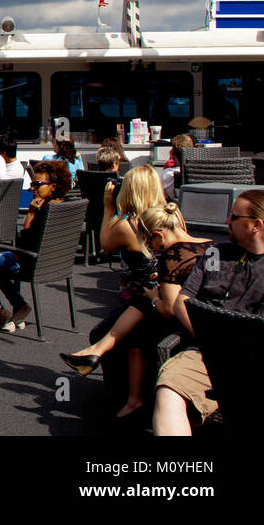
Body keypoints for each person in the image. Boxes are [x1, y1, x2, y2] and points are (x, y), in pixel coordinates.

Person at [61, 202, 212, 419]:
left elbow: (169, 309)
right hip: (209, 316)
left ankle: (112, 374)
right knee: (141, 312)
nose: (153, 249)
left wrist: (153, 297)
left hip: (187, 322)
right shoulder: (210, 244)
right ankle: (104, 362)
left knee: (140, 311)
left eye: (151, 243)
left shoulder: (172, 256)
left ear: (159, 235)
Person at [153, 191, 264, 435]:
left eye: (234, 216)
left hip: (253, 363)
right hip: (205, 353)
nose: (227, 221)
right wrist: (212, 339)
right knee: (169, 391)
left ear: (256, 225)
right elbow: (183, 301)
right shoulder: (216, 254)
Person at [0, 160, 70, 330]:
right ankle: (17, 305)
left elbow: (23, 243)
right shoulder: (66, 206)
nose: (32, 188)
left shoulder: (43, 212)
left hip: (27, 262)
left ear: (54, 186)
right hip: (56, 264)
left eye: (37, 184)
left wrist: (31, 214)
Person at [102, 165, 162, 303]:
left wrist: (108, 208)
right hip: (166, 291)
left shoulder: (127, 226)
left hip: (142, 297)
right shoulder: (172, 216)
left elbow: (106, 245)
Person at [160, 134, 194, 201]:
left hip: (177, 207)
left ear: (172, 152)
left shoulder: (168, 174)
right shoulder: (198, 171)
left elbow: (161, 197)